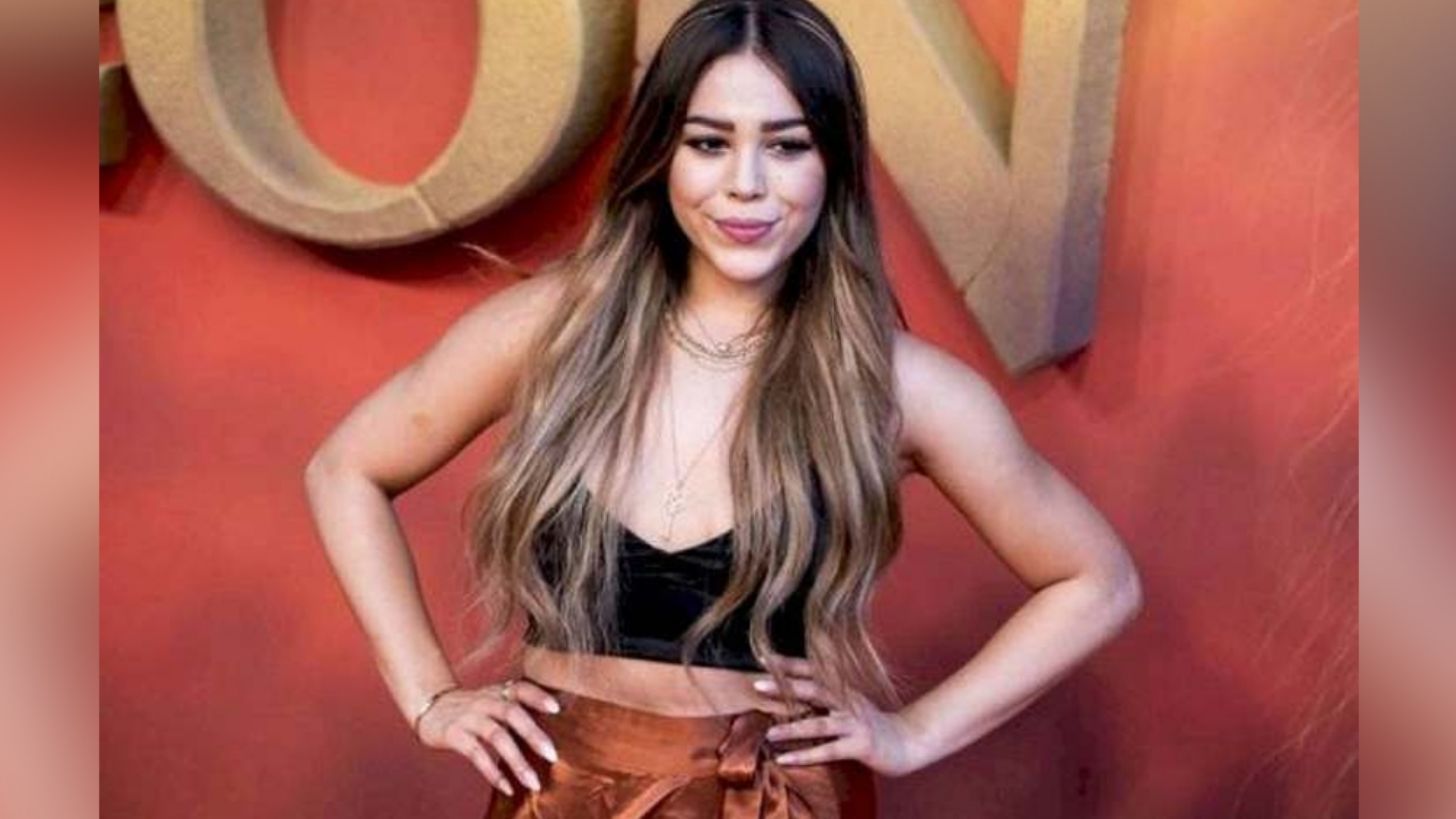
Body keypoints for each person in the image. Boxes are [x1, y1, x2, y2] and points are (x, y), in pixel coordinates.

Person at [303, 0, 1143, 815]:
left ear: (833, 162)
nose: (746, 184)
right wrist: (429, 695)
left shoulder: (898, 387)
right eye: (709, 142)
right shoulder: (550, 332)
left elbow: (1096, 580)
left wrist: (914, 731)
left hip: (768, 796)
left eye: (787, 145)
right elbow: (346, 468)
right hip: (559, 795)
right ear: (660, 155)